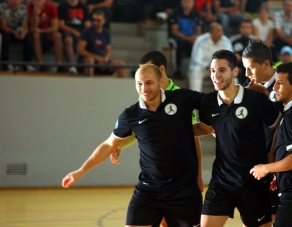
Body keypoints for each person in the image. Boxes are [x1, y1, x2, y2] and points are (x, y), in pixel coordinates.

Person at [62, 64, 212, 227]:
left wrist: (216, 125)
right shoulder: (131, 115)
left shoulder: (181, 98)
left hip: (184, 191)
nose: (144, 88)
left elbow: (213, 102)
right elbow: (108, 145)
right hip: (149, 191)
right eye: (139, 84)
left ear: (161, 82)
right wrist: (80, 171)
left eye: (149, 82)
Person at [242, 39, 292, 222]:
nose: (247, 74)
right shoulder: (254, 89)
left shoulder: (290, 91)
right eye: (244, 68)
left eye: (250, 68)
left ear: (265, 64)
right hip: (277, 168)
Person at [199, 49, 280, 227]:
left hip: (253, 183)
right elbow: (206, 126)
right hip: (221, 182)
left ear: (235, 72)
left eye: (221, 70)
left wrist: (272, 159)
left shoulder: (256, 100)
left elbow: (279, 126)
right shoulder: (207, 102)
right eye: (213, 70)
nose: (216, 75)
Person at [76, 9, 126, 77]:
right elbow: (80, 50)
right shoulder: (86, 31)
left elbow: (108, 50)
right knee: (90, 61)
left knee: (121, 64)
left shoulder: (106, 33)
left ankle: (123, 86)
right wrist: (97, 58)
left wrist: (105, 59)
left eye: (98, 20)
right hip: (86, 60)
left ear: (104, 21)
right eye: (94, 20)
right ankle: (88, 84)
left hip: (101, 61)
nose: (95, 22)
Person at [189, 22, 233, 91]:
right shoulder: (201, 40)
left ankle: (228, 99)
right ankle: (196, 97)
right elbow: (196, 60)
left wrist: (218, 68)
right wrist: (208, 66)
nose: (221, 33)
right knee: (195, 70)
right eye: (218, 31)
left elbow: (230, 59)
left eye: (221, 30)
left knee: (232, 73)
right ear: (211, 32)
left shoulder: (226, 41)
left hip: (220, 68)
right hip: (204, 68)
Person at [167, 0, 203, 79]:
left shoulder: (196, 14)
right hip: (176, 38)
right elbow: (174, 32)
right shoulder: (175, 13)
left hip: (190, 38)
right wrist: (188, 38)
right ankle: (177, 70)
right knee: (178, 43)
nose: (187, 4)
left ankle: (196, 70)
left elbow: (198, 31)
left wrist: (195, 37)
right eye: (185, 2)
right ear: (181, 2)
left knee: (199, 43)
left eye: (189, 2)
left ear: (193, 3)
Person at [27, 0, 63, 72]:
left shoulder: (51, 7)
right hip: (33, 33)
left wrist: (41, 31)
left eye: (39, 1)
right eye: (35, 1)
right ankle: (41, 64)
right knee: (36, 35)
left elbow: (55, 27)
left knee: (57, 35)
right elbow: (33, 27)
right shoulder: (28, 7)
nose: (37, 2)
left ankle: (60, 64)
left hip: (46, 31)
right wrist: (35, 14)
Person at [58, 0, 91, 74]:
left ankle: (85, 63)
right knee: (68, 39)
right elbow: (61, 25)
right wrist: (74, 32)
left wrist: (84, 33)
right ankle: (71, 65)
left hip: (81, 30)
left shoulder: (83, 7)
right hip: (67, 30)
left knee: (87, 38)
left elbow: (87, 23)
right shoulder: (62, 6)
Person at [0, 0, 34, 72]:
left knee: (28, 38)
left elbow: (25, 25)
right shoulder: (3, 7)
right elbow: (3, 27)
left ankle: (27, 64)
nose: (15, 1)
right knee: (5, 38)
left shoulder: (23, 8)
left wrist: (23, 33)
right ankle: (6, 64)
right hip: (7, 31)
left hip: (18, 30)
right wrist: (14, 32)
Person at [229, 19, 256, 85]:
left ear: (251, 29)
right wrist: (233, 55)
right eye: (243, 27)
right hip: (237, 63)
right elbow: (228, 52)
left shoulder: (255, 40)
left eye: (248, 28)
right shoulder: (233, 39)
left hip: (250, 64)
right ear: (240, 28)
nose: (245, 30)